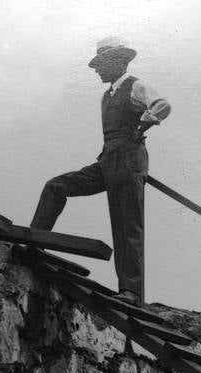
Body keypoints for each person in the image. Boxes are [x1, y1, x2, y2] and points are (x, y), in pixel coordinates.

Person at [30, 37, 171, 306]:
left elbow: (162, 105)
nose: (97, 70)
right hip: (107, 162)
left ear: (119, 62)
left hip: (129, 163)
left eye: (101, 64)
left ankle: (130, 292)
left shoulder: (136, 85)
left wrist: (143, 124)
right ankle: (34, 245)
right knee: (55, 186)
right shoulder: (106, 96)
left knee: (127, 227)